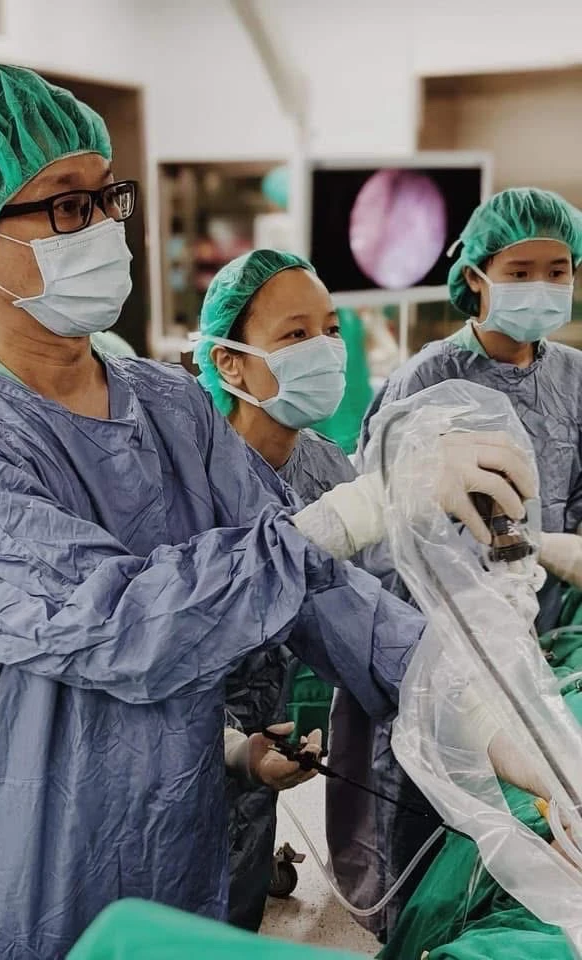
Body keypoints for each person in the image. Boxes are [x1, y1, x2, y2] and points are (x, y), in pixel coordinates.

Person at [0, 64, 535, 960]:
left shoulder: (168, 404)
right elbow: (118, 622)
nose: (103, 226)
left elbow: (315, 590)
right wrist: (359, 507)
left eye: (107, 197)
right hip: (32, 861)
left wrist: (494, 724)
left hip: (177, 836)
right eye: (67, 205)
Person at [195, 249, 424, 940]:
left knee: (237, 915)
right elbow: (169, 636)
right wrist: (228, 747)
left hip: (262, 744)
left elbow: (373, 601)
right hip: (174, 752)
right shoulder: (189, 473)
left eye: (328, 329)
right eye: (295, 335)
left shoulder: (323, 463)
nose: (324, 349)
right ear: (230, 362)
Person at [371, 187, 582, 635]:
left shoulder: (574, 375)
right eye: (520, 273)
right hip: (451, 630)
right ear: (474, 276)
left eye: (556, 272)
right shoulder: (427, 378)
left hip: (551, 622)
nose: (540, 286)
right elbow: (393, 524)